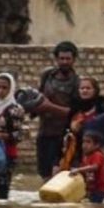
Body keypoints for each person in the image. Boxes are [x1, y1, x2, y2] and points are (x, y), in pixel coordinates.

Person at [65, 76, 104, 187]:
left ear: (95, 90)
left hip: (101, 153)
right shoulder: (74, 109)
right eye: (82, 88)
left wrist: (97, 140)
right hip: (79, 153)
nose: (85, 91)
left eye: (88, 88)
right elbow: (66, 133)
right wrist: (74, 129)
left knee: (100, 184)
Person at [36, 41, 80, 182]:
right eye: (61, 58)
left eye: (68, 59)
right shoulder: (47, 76)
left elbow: (75, 113)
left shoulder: (77, 83)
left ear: (74, 60)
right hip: (44, 133)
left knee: (62, 176)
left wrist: (49, 107)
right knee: (44, 175)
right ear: (56, 59)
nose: (64, 62)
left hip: (65, 137)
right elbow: (38, 98)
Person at [70, 130, 104, 204]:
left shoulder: (97, 155)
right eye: (83, 142)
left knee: (95, 207)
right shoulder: (85, 157)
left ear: (97, 145)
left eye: (88, 142)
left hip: (99, 190)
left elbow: (95, 167)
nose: (85, 145)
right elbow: (83, 171)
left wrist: (78, 170)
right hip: (90, 189)